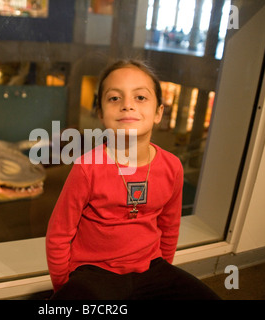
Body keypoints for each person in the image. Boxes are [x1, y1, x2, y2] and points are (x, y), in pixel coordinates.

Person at [46, 59, 219, 300]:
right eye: (115, 98)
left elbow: (169, 228)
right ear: (100, 113)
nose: (127, 105)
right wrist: (63, 288)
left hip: (152, 268)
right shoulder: (87, 167)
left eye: (140, 97)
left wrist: (164, 272)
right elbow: (59, 234)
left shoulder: (172, 167)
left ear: (159, 112)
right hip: (94, 272)